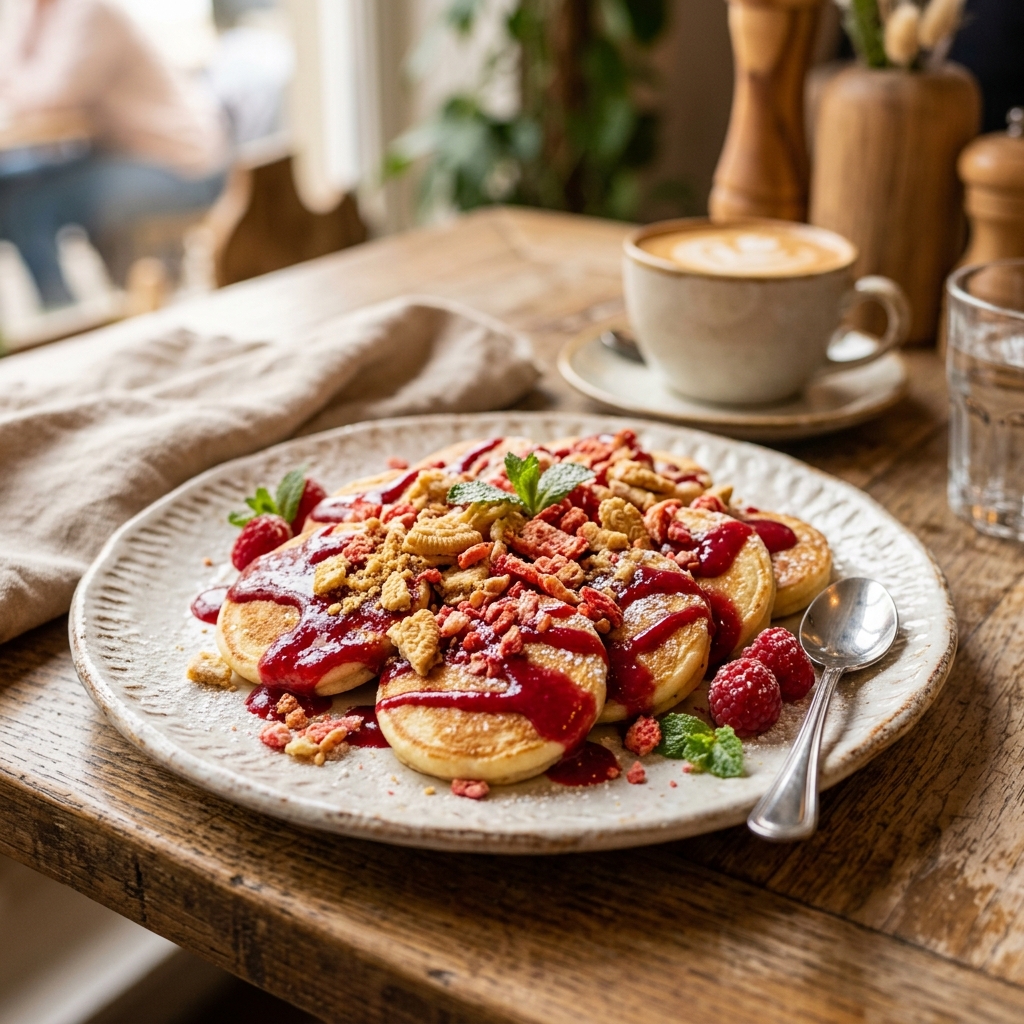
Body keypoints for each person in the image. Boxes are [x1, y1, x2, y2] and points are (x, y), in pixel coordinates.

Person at [0, 0, 229, 306]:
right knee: (10, 185)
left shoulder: (91, 9)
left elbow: (53, 93)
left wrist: (14, 80)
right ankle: (69, 312)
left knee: (27, 205)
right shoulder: (35, 10)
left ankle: (63, 319)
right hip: (124, 154)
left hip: (178, 165)